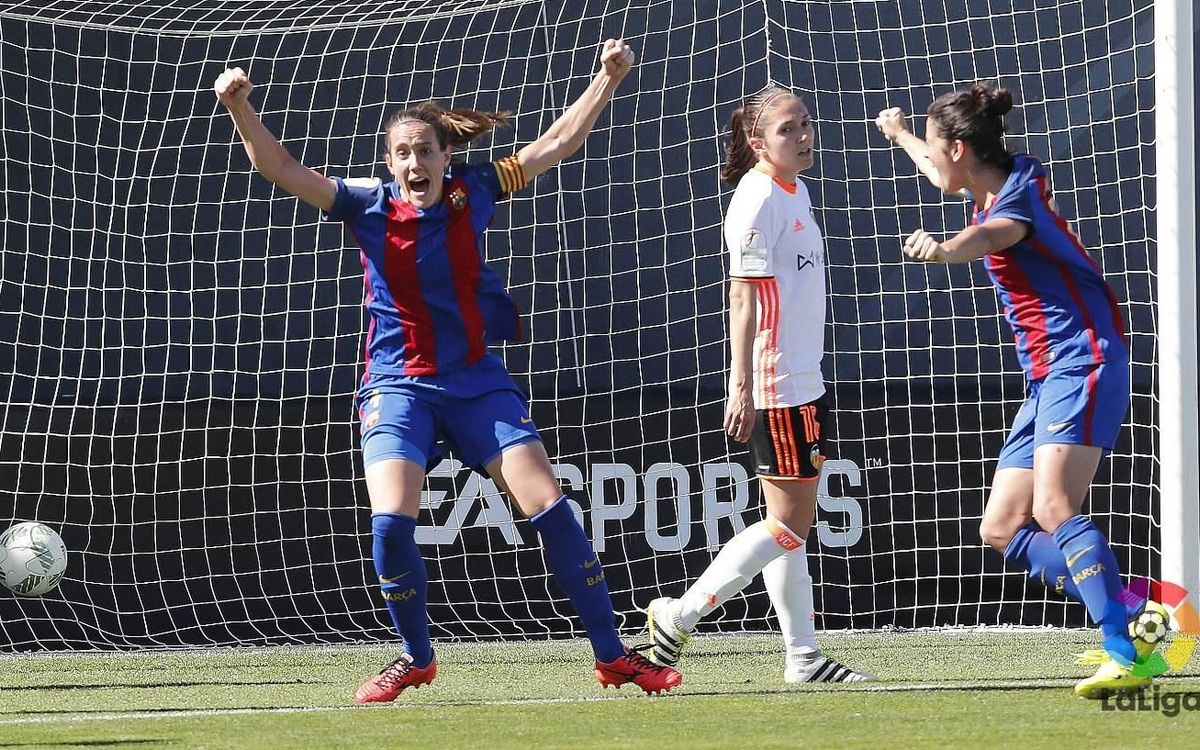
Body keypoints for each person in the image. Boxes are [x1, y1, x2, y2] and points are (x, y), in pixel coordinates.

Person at [213, 39, 682, 702]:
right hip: (397, 385)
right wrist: (239, 107)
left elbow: (555, 143)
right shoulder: (365, 204)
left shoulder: (476, 189)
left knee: (550, 508)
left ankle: (612, 656)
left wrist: (606, 79)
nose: (416, 163)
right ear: (389, 163)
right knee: (389, 522)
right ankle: (415, 657)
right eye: (403, 153)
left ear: (444, 157)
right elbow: (280, 167)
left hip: (475, 382)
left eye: (425, 151)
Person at [874, 83, 1155, 698]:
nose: (932, 160)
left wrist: (944, 249)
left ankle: (1126, 652)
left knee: (1054, 508)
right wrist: (901, 135)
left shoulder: (1013, 206)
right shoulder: (987, 182)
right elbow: (938, 170)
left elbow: (984, 238)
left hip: (1082, 360)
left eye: (935, 145)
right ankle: (1139, 609)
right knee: (1001, 526)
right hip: (1048, 375)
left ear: (958, 148)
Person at [644, 86, 873, 685]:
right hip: (779, 382)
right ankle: (681, 613)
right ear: (758, 142)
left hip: (804, 377)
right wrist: (740, 386)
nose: (803, 136)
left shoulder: (795, 190)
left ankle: (802, 657)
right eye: (787, 129)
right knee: (790, 526)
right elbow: (742, 299)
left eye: (805, 123)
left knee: (787, 528)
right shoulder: (757, 198)